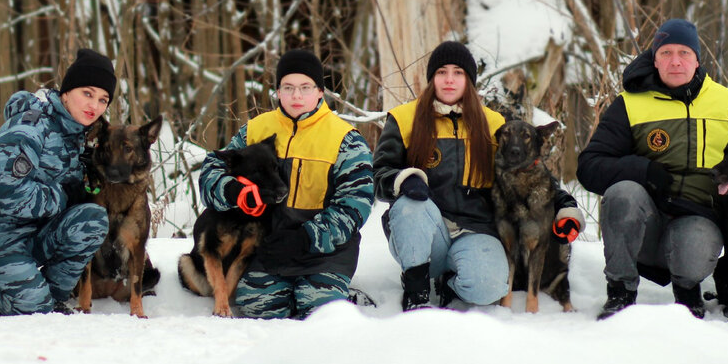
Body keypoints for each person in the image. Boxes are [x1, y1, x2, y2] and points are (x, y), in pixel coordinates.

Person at [578, 18, 728, 319]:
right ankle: (621, 290)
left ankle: (687, 292)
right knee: (623, 194)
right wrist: (642, 170)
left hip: (699, 217)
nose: (675, 61)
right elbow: (589, 166)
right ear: (654, 60)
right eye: (666, 53)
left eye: (684, 53)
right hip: (646, 219)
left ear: (697, 59)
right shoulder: (629, 104)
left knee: (697, 243)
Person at [373, 41, 581, 310]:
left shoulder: (493, 124)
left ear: (469, 80)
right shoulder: (404, 118)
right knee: (410, 206)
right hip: (425, 231)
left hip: (475, 229)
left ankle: (450, 283)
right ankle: (416, 293)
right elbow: (378, 174)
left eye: (458, 73)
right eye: (442, 72)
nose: (449, 80)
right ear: (432, 78)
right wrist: (404, 180)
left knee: (489, 287)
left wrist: (564, 206)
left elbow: (528, 172)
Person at [198, 49, 374, 319]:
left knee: (318, 310)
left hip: (324, 252)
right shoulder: (255, 130)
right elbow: (212, 168)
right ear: (278, 92)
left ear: (320, 92)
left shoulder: (346, 139)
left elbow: (356, 206)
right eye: (288, 88)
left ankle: (343, 295)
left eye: (305, 87)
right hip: (269, 249)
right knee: (259, 308)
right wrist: (233, 191)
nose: (296, 96)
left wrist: (306, 238)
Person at [0, 48, 114, 315]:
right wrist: (62, 196)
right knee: (31, 303)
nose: (94, 106)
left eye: (103, 99)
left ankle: (52, 299)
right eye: (87, 93)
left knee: (92, 219)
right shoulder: (31, 127)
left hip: (29, 232)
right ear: (66, 92)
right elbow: (9, 193)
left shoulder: (77, 136)